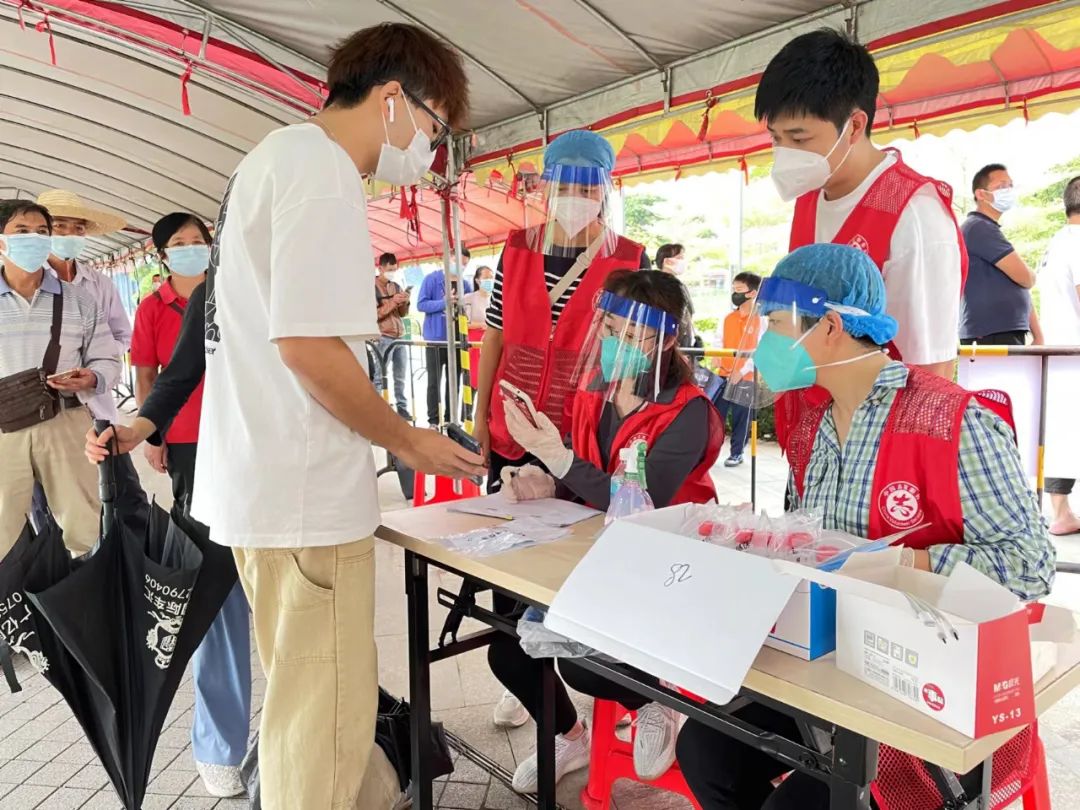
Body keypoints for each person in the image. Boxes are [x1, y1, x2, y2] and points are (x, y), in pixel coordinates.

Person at [86, 23, 484, 810]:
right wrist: (407, 441)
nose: (431, 152)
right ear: (393, 99)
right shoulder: (321, 170)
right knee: (324, 728)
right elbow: (307, 347)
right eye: (435, 128)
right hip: (303, 497)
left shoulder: (270, 160)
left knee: (308, 707)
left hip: (265, 490)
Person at [681, 243, 1055, 810]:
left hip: (927, 682)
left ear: (830, 326)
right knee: (706, 749)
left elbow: (1032, 566)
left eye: (775, 324)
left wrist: (906, 562)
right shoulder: (811, 427)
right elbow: (807, 541)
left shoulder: (955, 422)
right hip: (831, 662)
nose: (764, 342)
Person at [489, 270, 723, 794]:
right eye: (611, 330)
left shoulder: (687, 411)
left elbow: (640, 500)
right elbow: (584, 475)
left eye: (632, 334)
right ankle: (570, 736)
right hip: (591, 550)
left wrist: (560, 460)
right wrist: (544, 478)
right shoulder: (594, 393)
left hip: (664, 565)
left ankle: (657, 699)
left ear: (665, 340)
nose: (616, 343)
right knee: (507, 649)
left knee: (585, 667)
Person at [759, 29, 965, 379]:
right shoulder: (810, 194)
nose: (785, 153)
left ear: (854, 126)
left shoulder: (914, 212)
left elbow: (931, 367)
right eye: (776, 138)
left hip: (876, 409)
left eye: (799, 138)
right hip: (815, 405)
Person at [129, 212, 252, 798]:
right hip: (191, 448)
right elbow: (158, 376)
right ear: (162, 255)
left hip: (257, 447)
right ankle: (219, 742)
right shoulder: (157, 307)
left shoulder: (247, 286)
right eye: (178, 245)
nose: (192, 250)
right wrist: (150, 432)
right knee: (217, 591)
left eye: (198, 241)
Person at [473, 129, 651, 489]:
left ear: (605, 190)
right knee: (508, 514)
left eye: (586, 189)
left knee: (576, 520)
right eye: (564, 187)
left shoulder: (629, 260)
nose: (575, 198)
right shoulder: (517, 248)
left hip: (582, 433)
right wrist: (480, 420)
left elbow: (637, 352)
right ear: (547, 187)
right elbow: (495, 336)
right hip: (512, 425)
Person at [0, 199, 119, 556]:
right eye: (22, 231)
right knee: (4, 528)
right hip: (4, 429)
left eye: (42, 232)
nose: (34, 239)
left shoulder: (78, 300)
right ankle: (13, 591)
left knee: (83, 523)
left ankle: (83, 587)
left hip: (66, 421)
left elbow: (108, 358)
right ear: (2, 241)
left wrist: (92, 377)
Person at [960, 164, 1043, 346]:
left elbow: (1020, 285)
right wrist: (1031, 274)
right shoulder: (979, 228)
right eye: (1001, 186)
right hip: (990, 334)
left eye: (1010, 185)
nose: (1008, 191)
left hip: (1001, 332)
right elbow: (1026, 279)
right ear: (981, 194)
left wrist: (1038, 335)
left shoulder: (988, 228)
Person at [1038, 175, 1080, 536]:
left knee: (1065, 429)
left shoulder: (1057, 242)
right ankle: (1061, 512)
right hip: (1075, 347)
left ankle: (1061, 512)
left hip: (1058, 346)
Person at [417, 247, 472, 426]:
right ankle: (433, 420)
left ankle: (451, 419)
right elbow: (421, 305)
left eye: (464, 264)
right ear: (448, 259)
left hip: (457, 340)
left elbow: (469, 309)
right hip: (435, 340)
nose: (461, 267)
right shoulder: (432, 279)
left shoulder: (465, 285)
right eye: (458, 262)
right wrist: (444, 303)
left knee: (454, 381)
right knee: (434, 381)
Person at [713, 271, 761, 467]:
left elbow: (761, 350)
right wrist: (716, 356)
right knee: (716, 417)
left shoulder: (761, 320)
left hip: (746, 377)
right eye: (733, 289)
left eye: (739, 289)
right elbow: (718, 340)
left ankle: (736, 453)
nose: (735, 294)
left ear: (752, 293)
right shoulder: (728, 318)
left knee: (741, 418)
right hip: (723, 376)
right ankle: (710, 452)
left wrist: (741, 372)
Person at [373, 251, 412, 418]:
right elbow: (374, 315)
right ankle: (377, 409)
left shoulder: (396, 286)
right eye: (389, 270)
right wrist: (392, 302)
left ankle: (402, 408)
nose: (392, 273)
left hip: (399, 336)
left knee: (400, 375)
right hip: (383, 336)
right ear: (380, 268)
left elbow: (402, 314)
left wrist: (405, 301)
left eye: (394, 269)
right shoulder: (372, 287)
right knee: (380, 375)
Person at [462, 264, 495, 329]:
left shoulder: (496, 299)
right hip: (475, 335)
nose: (489, 280)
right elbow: (464, 324)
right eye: (486, 278)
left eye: (491, 277)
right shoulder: (468, 298)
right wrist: (483, 325)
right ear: (477, 281)